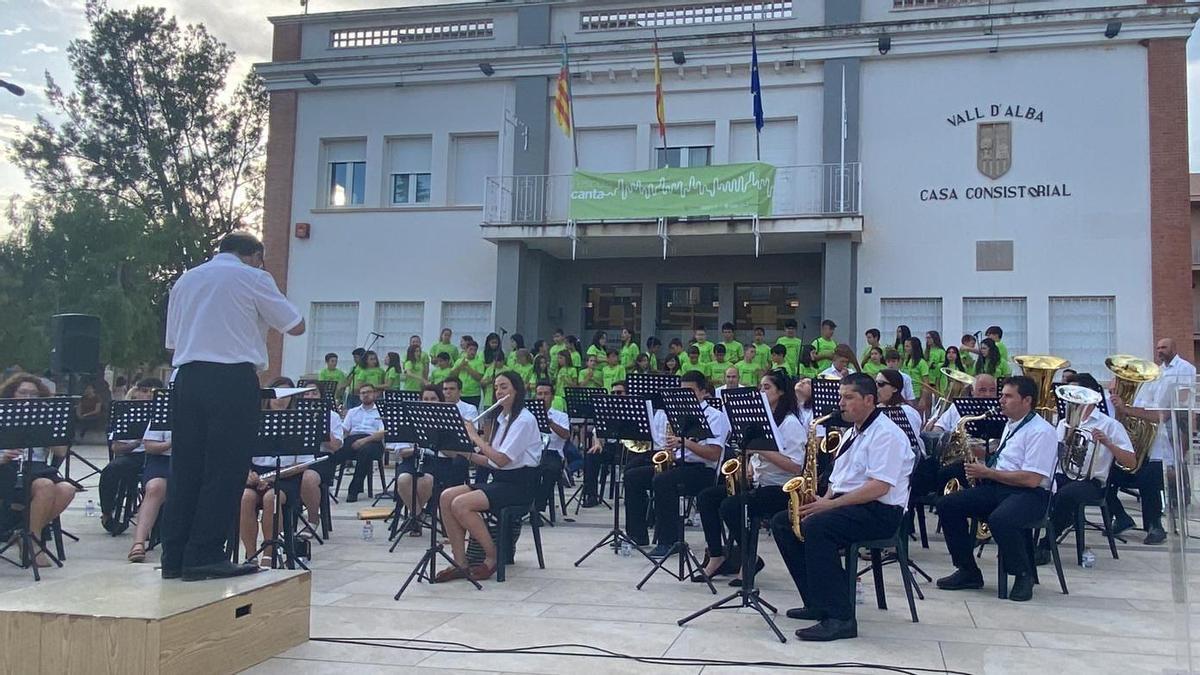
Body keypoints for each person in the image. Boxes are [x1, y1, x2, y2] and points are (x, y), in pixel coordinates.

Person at [162, 232, 303, 581]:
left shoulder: (187, 279)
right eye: (261, 258)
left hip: (188, 378)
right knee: (224, 469)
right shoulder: (253, 276)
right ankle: (205, 555)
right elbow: (296, 325)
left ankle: (174, 557)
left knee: (186, 467)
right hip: (231, 380)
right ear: (254, 254)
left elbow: (173, 341)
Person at [770, 373, 913, 641]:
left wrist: (829, 506)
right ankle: (816, 602)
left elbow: (879, 486)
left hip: (881, 512)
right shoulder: (851, 432)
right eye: (841, 397)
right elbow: (840, 478)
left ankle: (840, 618)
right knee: (784, 522)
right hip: (851, 505)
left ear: (869, 400)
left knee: (818, 527)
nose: (841, 403)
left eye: (849, 398)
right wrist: (822, 499)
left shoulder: (887, 434)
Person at [936, 376, 1057, 602]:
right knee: (947, 504)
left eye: (1008, 396)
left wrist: (988, 472)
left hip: (1032, 495)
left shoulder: (1041, 431)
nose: (1001, 400)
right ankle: (967, 570)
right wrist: (982, 461)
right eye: (1002, 395)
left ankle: (1022, 574)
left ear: (1027, 400)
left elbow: (1032, 479)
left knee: (1000, 519)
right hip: (1001, 487)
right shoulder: (1011, 425)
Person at [696, 371, 806, 582]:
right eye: (760, 388)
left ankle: (749, 558)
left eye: (767, 388)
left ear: (781, 392)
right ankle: (717, 556)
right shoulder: (762, 419)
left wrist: (761, 450)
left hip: (779, 488)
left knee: (731, 506)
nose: (761, 392)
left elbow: (794, 467)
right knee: (707, 497)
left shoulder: (790, 423)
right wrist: (748, 463)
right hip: (759, 482)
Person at [437, 372, 542, 582]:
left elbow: (501, 460)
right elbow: (492, 461)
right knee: (446, 496)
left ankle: (492, 556)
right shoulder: (502, 420)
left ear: (517, 389)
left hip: (521, 485)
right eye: (496, 388)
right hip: (502, 480)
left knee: (461, 504)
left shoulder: (524, 420)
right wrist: (462, 452)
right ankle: (460, 562)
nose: (499, 392)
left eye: (504, 387)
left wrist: (475, 436)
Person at [626, 371, 730, 558]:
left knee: (663, 481)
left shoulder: (716, 417)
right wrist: (670, 451)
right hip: (678, 464)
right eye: (682, 391)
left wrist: (685, 443)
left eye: (690, 391)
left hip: (702, 471)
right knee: (633, 476)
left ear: (703, 392)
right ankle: (637, 535)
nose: (684, 396)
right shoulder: (678, 415)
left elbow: (714, 454)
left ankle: (668, 540)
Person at [1034, 373, 1135, 564]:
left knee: (1066, 495)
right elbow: (1056, 456)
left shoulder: (1109, 425)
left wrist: (1108, 444)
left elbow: (1131, 461)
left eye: (1077, 394)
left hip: (1092, 482)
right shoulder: (1064, 423)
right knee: (1033, 487)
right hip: (1064, 475)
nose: (1072, 399)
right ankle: (1027, 540)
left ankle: (1046, 544)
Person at [1107, 338, 1194, 545]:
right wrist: (1121, 408)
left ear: (1174, 348)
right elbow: (1131, 413)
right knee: (1105, 475)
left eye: (1163, 347)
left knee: (1151, 480)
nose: (1159, 351)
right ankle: (1121, 517)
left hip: (1159, 442)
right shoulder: (1153, 377)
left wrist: (1126, 409)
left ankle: (1155, 526)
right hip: (1139, 442)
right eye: (1157, 348)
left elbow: (1164, 413)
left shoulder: (1180, 371)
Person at [240, 377, 322, 566]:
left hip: (287, 477)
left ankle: (269, 553)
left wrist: (273, 478)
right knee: (245, 498)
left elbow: (303, 464)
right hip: (257, 475)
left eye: (286, 395)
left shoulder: (301, 423)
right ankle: (250, 554)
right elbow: (241, 455)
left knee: (271, 498)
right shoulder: (254, 422)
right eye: (278, 394)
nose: (281, 400)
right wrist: (249, 473)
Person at [0, 374, 77, 569]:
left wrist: (48, 427)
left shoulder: (45, 416)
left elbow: (61, 452)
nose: (28, 398)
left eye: (33, 394)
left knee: (67, 489)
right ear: (12, 394)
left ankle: (27, 535)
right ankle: (34, 543)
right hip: (6, 467)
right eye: (23, 393)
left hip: (38, 468)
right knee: (45, 486)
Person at [98, 379, 159, 535]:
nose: (148, 395)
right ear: (136, 392)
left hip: (158, 455)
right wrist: (137, 442)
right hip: (134, 456)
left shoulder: (164, 414)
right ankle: (107, 514)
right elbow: (116, 447)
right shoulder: (128, 414)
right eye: (144, 391)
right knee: (111, 470)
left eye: (152, 392)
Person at [130, 406, 172, 564]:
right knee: (155, 487)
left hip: (193, 460)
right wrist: (171, 443)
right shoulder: (164, 412)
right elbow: (149, 446)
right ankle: (138, 542)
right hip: (163, 460)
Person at [337, 383, 386, 502]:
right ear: (359, 396)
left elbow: (381, 433)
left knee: (365, 451)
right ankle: (325, 484)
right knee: (336, 450)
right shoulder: (353, 411)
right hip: (354, 438)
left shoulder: (380, 411)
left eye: (369, 392)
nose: (366, 395)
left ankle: (354, 489)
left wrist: (363, 441)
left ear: (374, 394)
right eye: (363, 393)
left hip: (373, 440)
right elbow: (344, 430)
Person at [534, 381, 572, 512]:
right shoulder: (528, 415)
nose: (542, 397)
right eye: (539, 394)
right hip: (534, 452)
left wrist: (549, 422)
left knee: (549, 471)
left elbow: (566, 435)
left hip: (553, 453)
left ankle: (537, 509)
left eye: (546, 394)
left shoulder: (561, 416)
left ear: (552, 396)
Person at [453, 339, 485, 407]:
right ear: (466, 350)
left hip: (474, 394)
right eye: (470, 349)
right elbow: (452, 375)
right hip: (460, 393)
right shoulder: (459, 361)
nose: (472, 352)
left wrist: (467, 367)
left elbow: (479, 378)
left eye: (475, 350)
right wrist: (460, 366)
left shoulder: (479, 363)